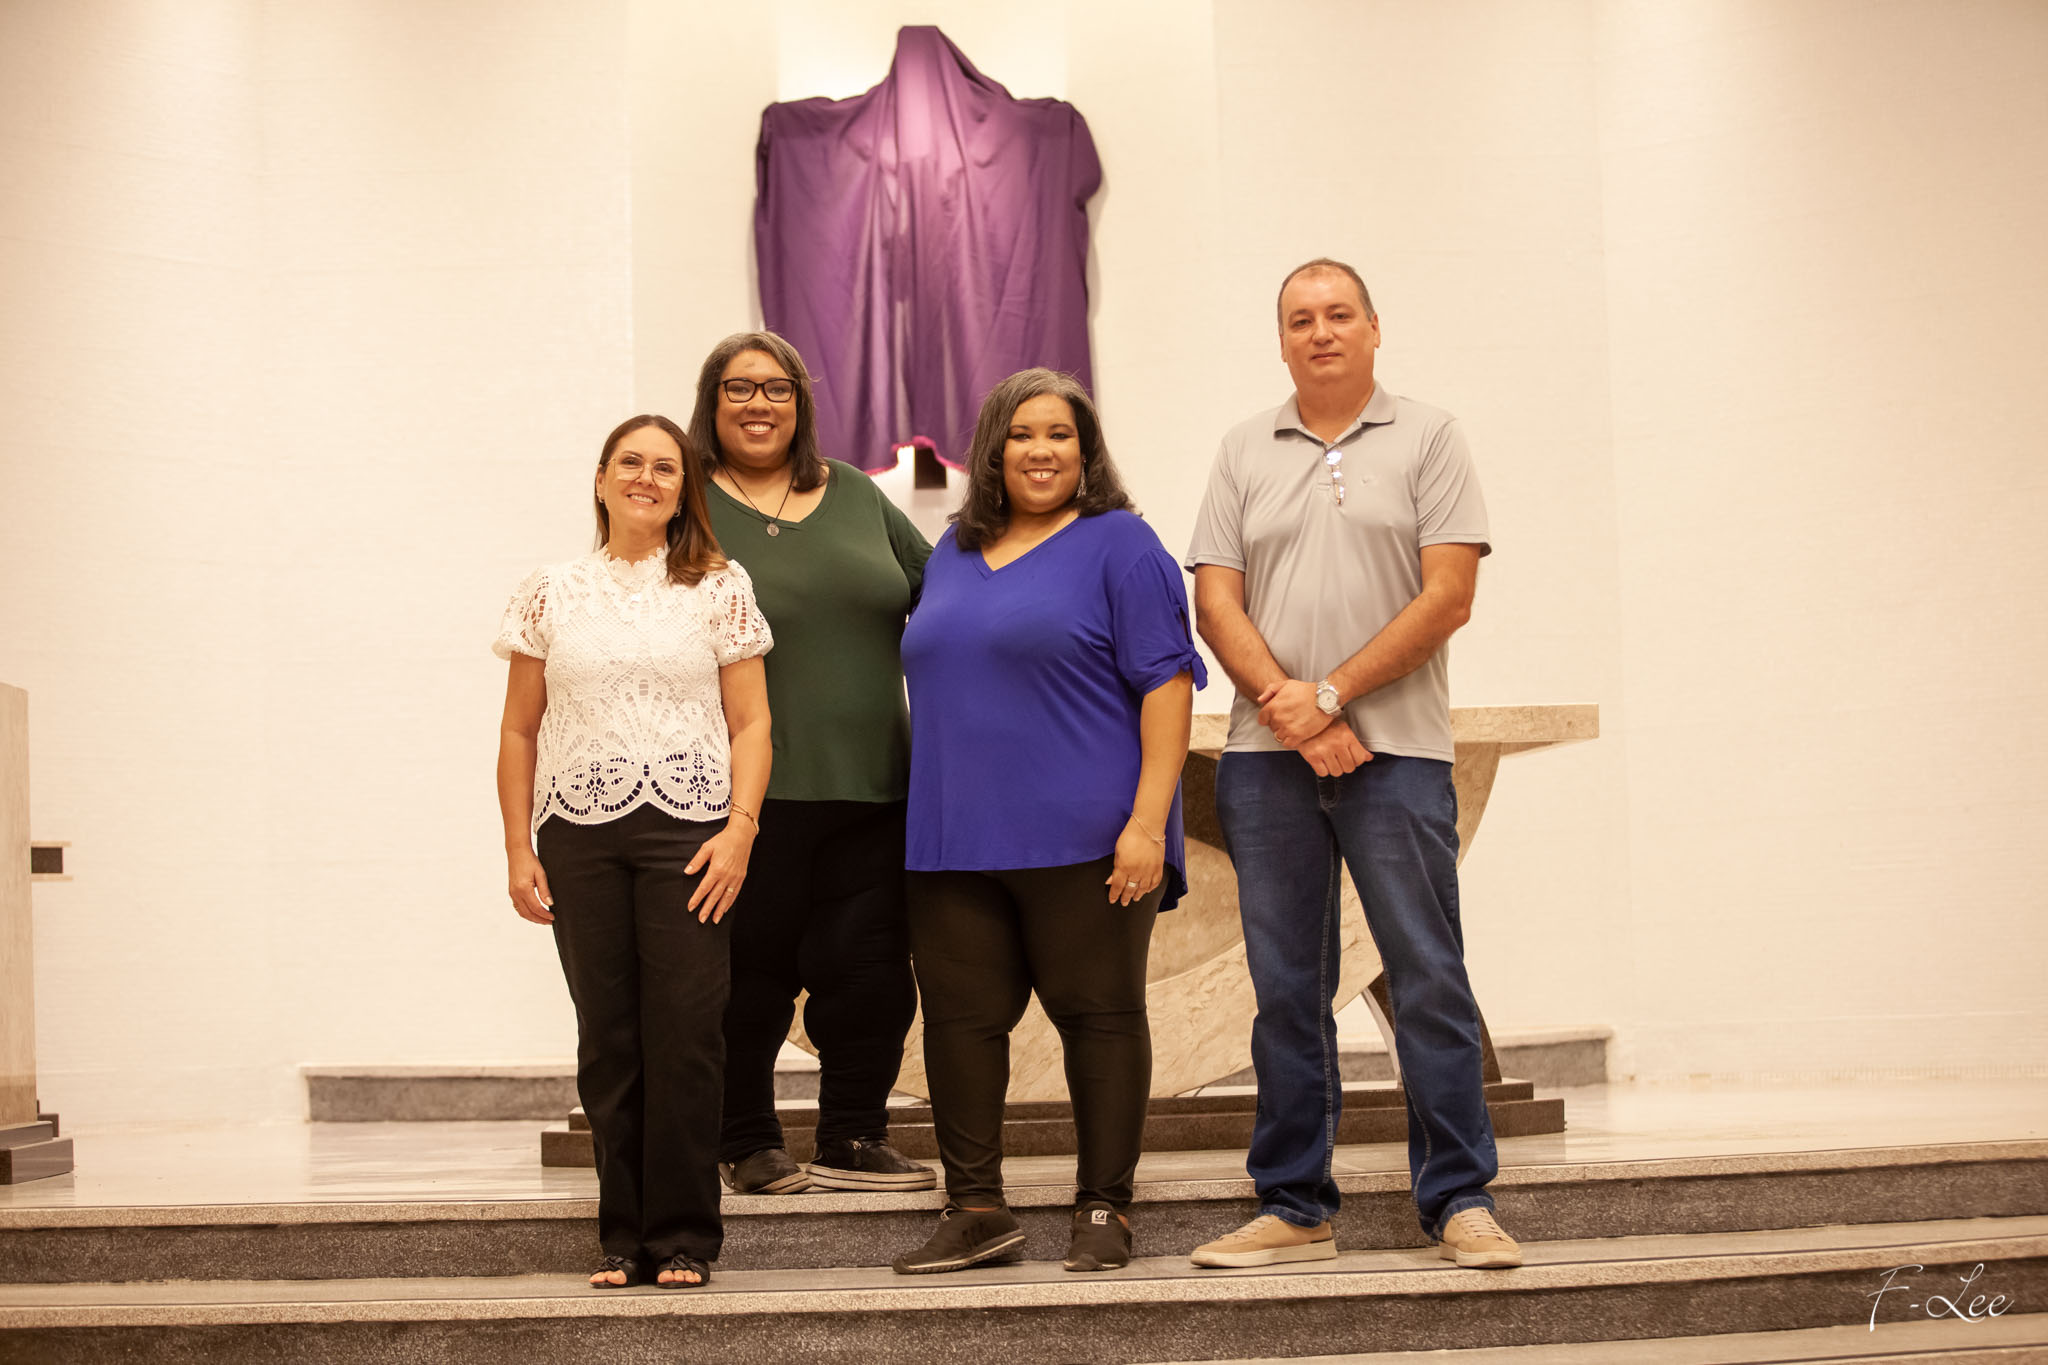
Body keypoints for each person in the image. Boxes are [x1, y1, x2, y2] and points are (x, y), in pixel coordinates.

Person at [1185, 259, 1520, 1270]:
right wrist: (1296, 715)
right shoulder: (1243, 448)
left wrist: (1328, 695)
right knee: (1287, 988)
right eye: (1301, 319)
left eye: (1339, 315)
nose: (1320, 331)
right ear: (1281, 340)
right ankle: (1294, 1206)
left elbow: (1448, 595)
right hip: (1266, 761)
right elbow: (1214, 601)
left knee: (1425, 975)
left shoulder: (1430, 437)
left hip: (1398, 754)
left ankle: (1459, 1199)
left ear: (1375, 329)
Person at [891, 368, 1204, 1275]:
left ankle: (1105, 1205)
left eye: (1059, 434)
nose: (1040, 450)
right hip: (951, 839)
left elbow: (1168, 685)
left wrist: (1148, 823)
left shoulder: (1122, 545)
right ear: (992, 451)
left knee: (1098, 1017)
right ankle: (975, 1209)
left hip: (1088, 837)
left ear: (1086, 449)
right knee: (959, 1025)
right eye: (1021, 434)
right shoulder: (951, 551)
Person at [494, 414, 773, 1289]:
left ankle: (684, 1235)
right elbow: (518, 729)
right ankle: (622, 1236)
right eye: (630, 463)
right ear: (602, 479)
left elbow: (753, 723)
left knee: (686, 1031)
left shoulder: (720, 586)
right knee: (609, 1037)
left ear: (684, 489)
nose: (646, 478)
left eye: (665, 467)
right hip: (578, 835)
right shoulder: (550, 590)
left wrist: (740, 827)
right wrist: (518, 848)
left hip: (691, 830)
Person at [690, 331, 938, 1196]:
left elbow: (947, 591)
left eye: (778, 388)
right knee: (747, 980)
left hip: (875, 787)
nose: (759, 403)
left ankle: (853, 1136)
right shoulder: (687, 505)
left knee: (872, 977)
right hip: (741, 798)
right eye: (739, 387)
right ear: (711, 404)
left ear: (801, 402)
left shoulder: (858, 494)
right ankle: (747, 1139)